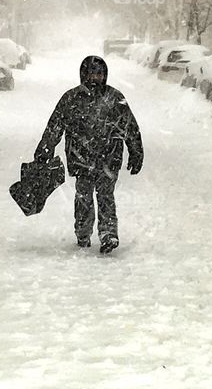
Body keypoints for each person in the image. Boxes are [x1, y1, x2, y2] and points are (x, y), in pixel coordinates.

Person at [34, 55, 143, 254]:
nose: (96, 78)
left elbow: (130, 127)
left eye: (100, 74)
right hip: (81, 159)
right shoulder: (71, 99)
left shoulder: (114, 98)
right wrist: (45, 150)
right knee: (83, 197)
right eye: (92, 73)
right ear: (84, 75)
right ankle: (83, 232)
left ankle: (108, 234)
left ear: (105, 75)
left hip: (109, 158)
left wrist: (136, 152)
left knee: (105, 196)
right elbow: (55, 126)